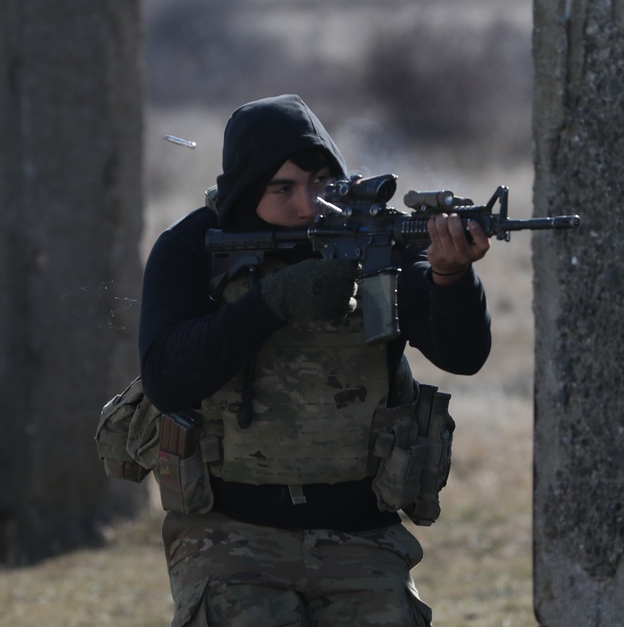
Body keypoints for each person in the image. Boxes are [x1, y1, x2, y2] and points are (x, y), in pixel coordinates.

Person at [138, 94, 492, 626]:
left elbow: (461, 355)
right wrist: (271, 303)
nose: (307, 206)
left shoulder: (375, 241)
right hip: (230, 533)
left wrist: (451, 276)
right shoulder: (193, 248)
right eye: (283, 189)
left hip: (362, 532)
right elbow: (167, 377)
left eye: (322, 184)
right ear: (244, 188)